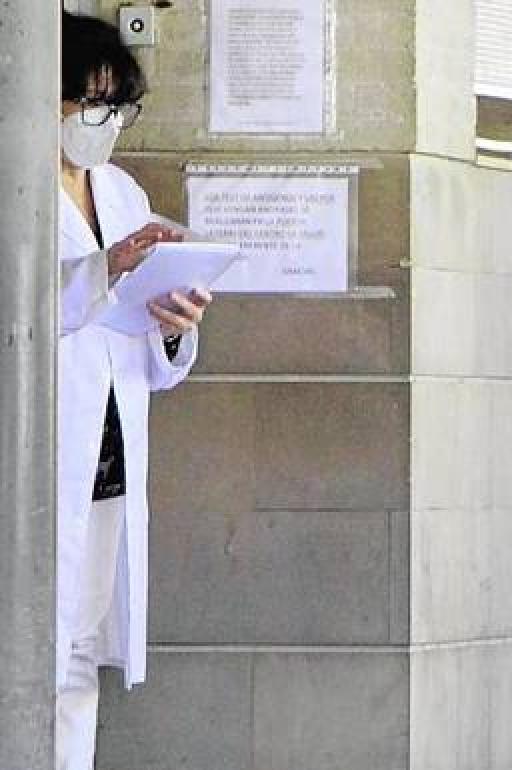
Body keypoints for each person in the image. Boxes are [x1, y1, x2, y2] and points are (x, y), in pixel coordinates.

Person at [57, 12, 212, 770]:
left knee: (81, 649)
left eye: (117, 106)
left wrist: (175, 321)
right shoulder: (11, 191)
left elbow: (149, 358)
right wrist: (102, 270)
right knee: (35, 650)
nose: (105, 122)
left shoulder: (121, 192)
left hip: (107, 460)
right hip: (40, 457)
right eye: (90, 104)